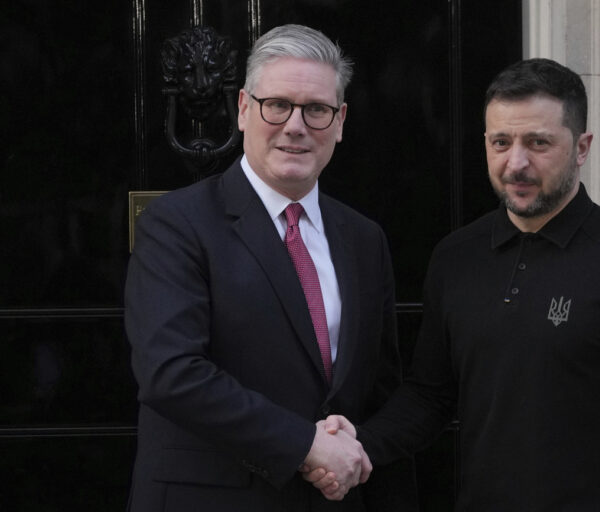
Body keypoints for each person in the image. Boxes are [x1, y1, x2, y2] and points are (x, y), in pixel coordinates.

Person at [309, 58, 600, 511]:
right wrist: (359, 443)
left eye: (538, 142)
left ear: (582, 147)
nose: (517, 163)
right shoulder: (456, 258)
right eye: (501, 142)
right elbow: (431, 396)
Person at [124, 24, 416, 511]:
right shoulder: (175, 224)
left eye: (316, 109)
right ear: (243, 108)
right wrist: (306, 445)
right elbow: (171, 373)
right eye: (277, 104)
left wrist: (355, 455)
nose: (296, 126)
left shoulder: (364, 239)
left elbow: (379, 388)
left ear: (340, 121)